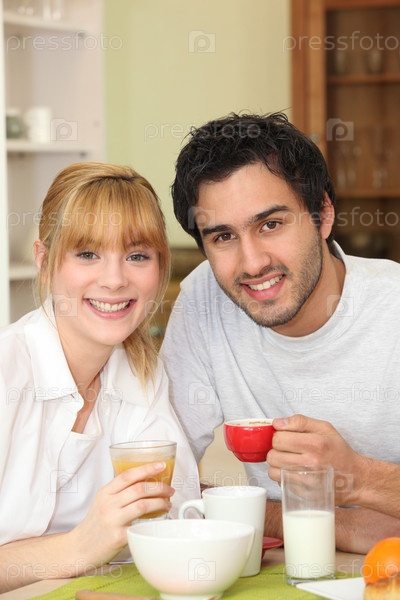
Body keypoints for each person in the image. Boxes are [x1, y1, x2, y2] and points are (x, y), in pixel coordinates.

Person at [161, 112, 400, 554]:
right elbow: (163, 485)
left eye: (270, 224)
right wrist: (333, 524)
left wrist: (359, 478)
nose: (252, 263)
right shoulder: (203, 301)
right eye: (223, 237)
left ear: (323, 215)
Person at [0, 162, 200, 592]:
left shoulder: (144, 376)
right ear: (44, 261)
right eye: (88, 254)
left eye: (137, 256)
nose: (114, 280)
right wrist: (78, 546)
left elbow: (178, 518)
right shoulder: (7, 371)